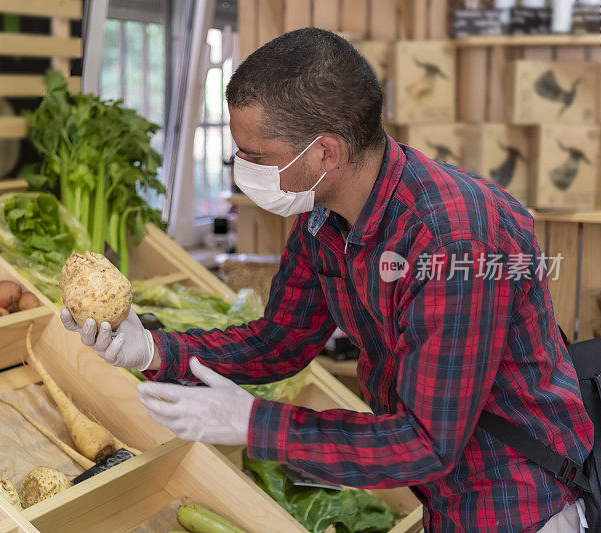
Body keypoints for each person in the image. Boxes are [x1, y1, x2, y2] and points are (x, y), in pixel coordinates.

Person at [61, 28, 593, 532]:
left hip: (516, 502)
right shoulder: (321, 218)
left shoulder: (455, 241)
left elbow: (426, 443)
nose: (240, 167)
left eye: (255, 156)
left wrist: (253, 424)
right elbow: (281, 339)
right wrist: (152, 350)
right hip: (442, 494)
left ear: (324, 152)